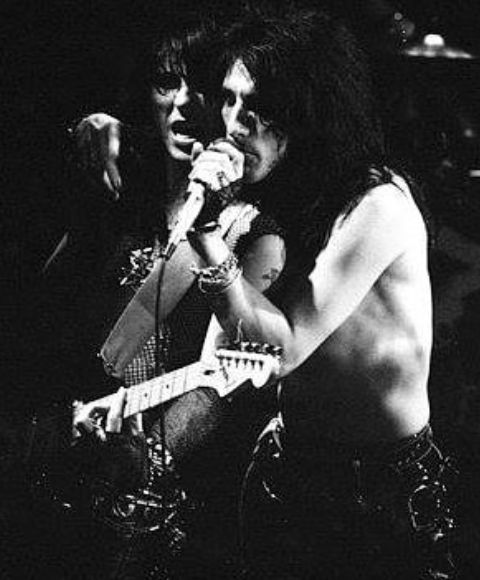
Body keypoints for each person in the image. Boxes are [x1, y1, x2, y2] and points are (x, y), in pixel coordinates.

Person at [177, 3, 458, 579]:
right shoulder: (278, 197)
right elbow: (234, 348)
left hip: (379, 483)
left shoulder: (377, 205)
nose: (234, 123)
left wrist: (205, 235)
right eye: (229, 100)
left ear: (306, 110)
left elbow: (282, 349)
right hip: (289, 461)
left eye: (256, 106)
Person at [32, 10, 286, 580]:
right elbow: (44, 314)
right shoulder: (122, 194)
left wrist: (144, 459)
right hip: (68, 467)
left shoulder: (250, 232)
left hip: (165, 505)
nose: (183, 104)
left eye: (203, 86)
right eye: (167, 82)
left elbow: (219, 386)